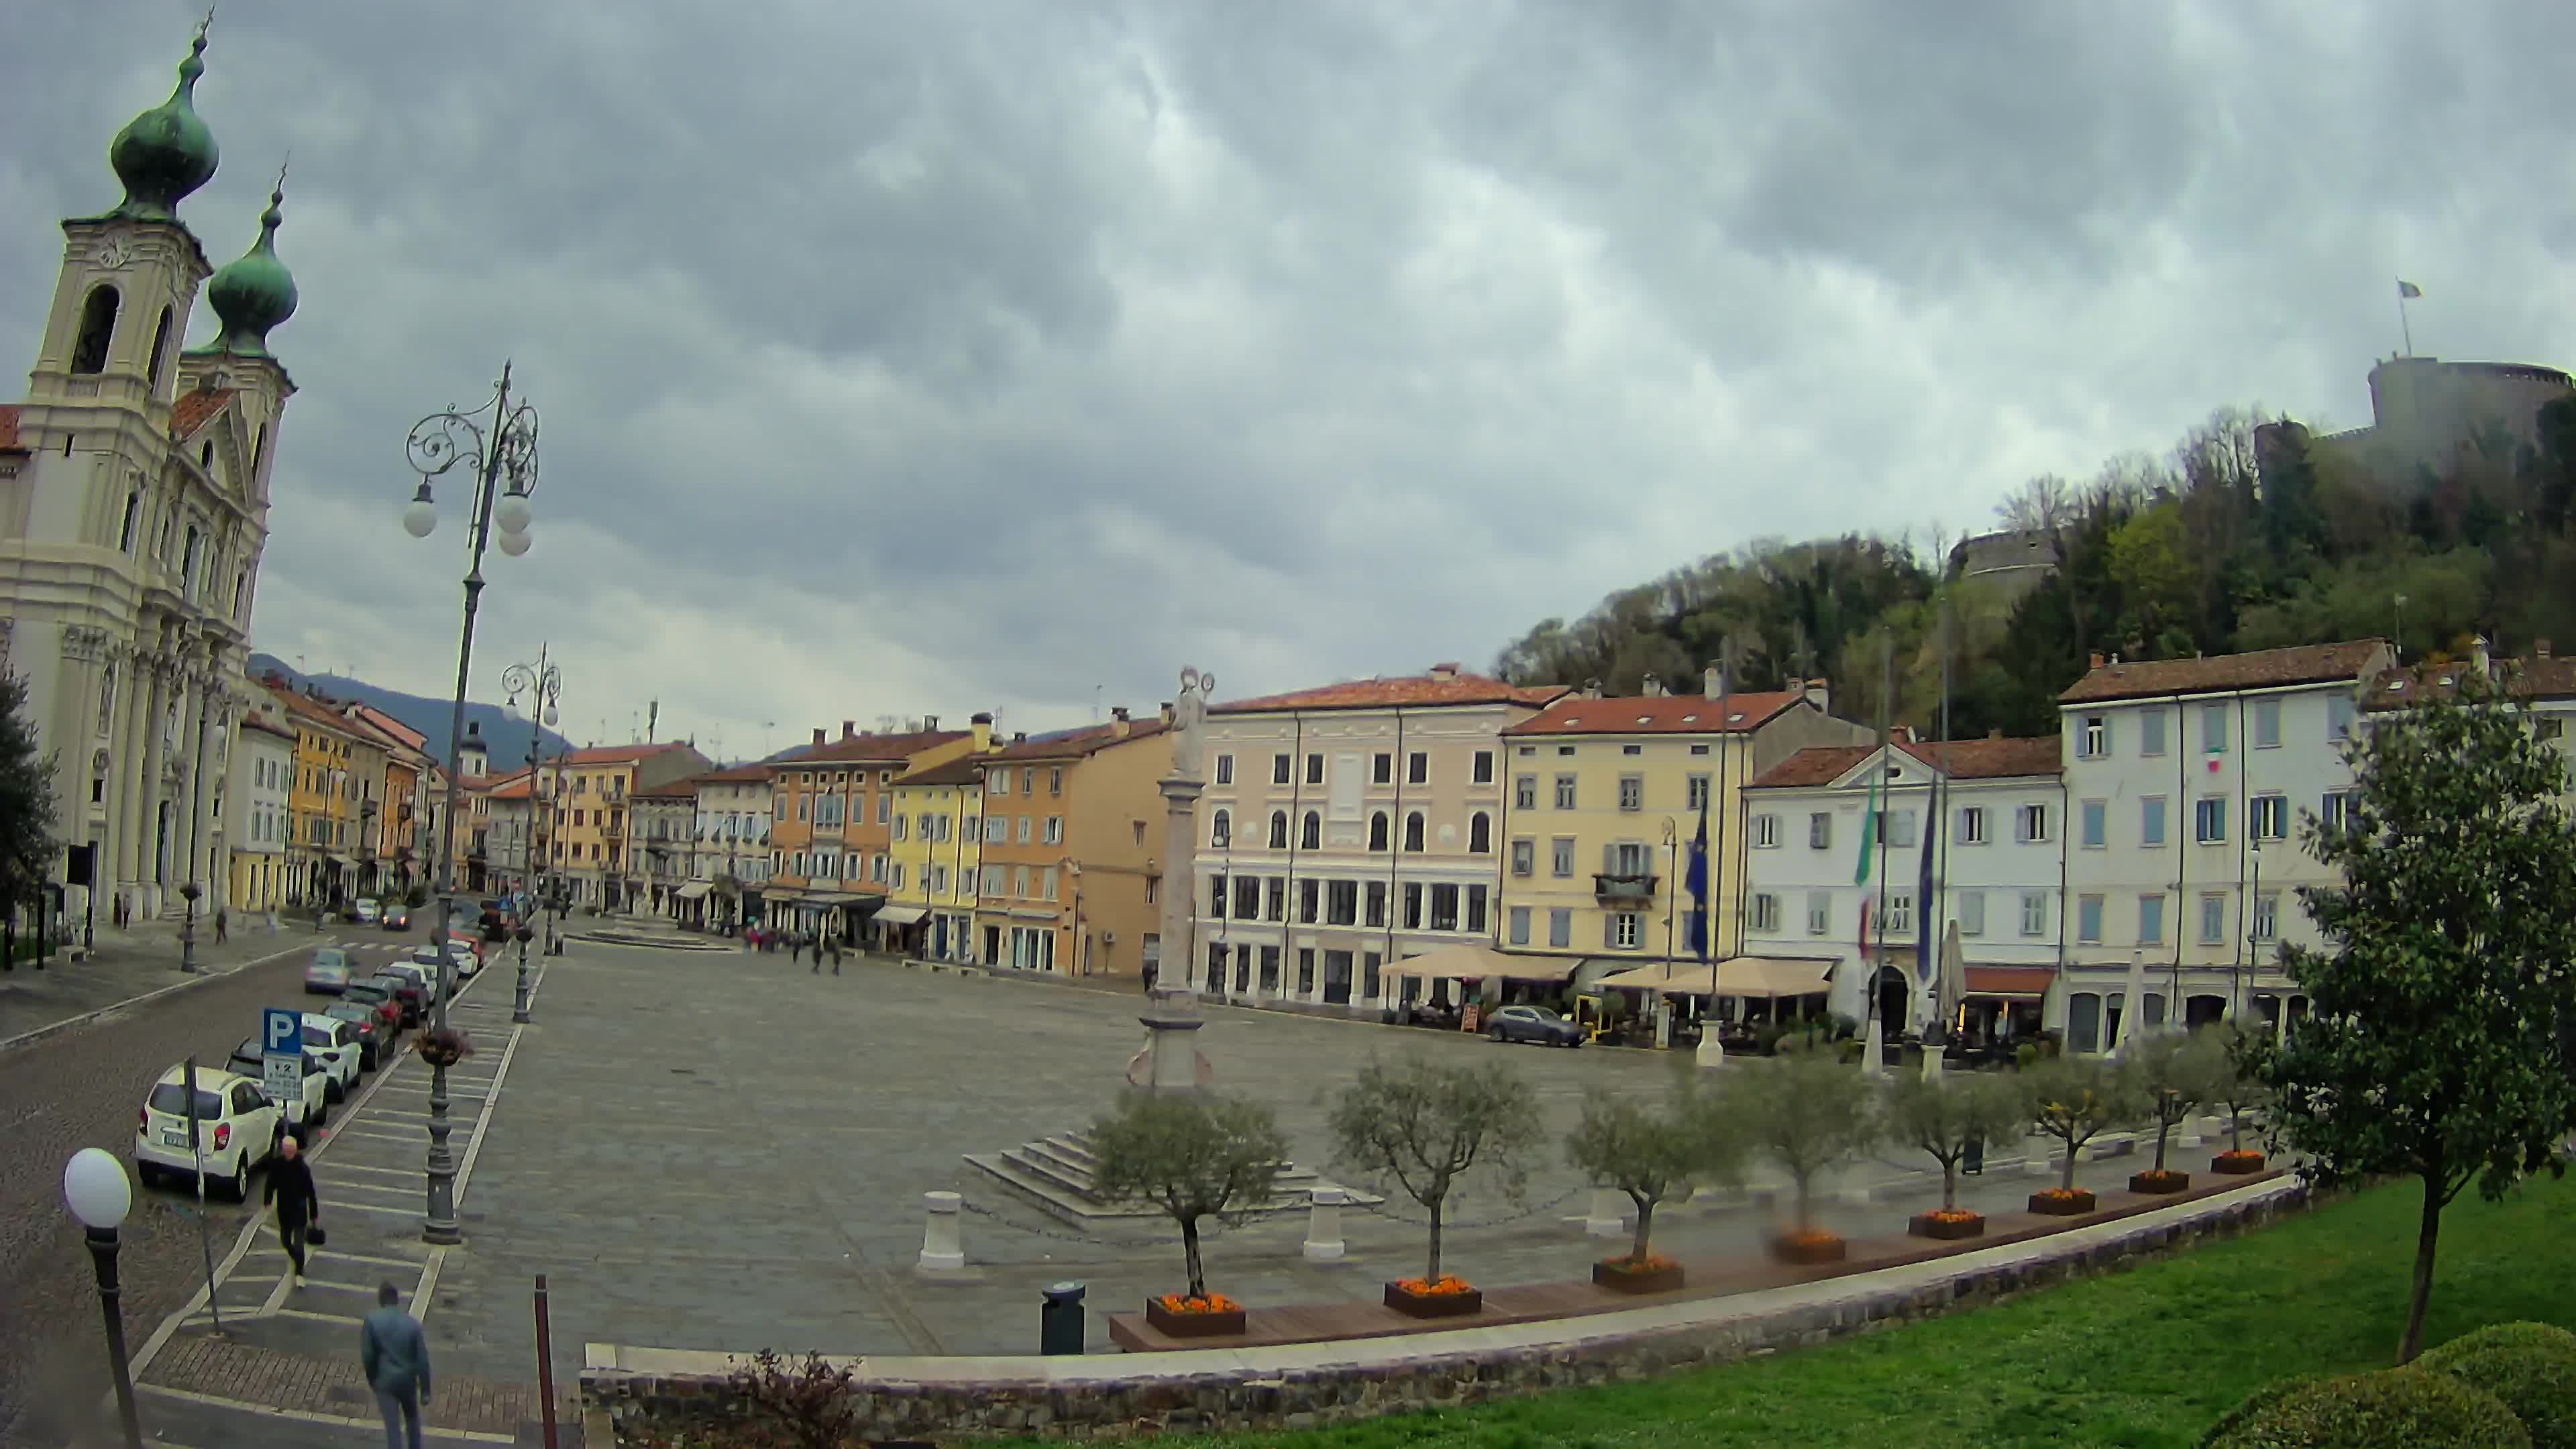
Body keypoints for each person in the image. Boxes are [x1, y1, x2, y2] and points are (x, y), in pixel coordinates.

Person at [360, 1281, 431, 1449]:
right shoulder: (412, 1324)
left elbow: (368, 1356)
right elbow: (423, 1360)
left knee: (393, 1429)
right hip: (407, 1381)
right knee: (413, 1420)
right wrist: (426, 1391)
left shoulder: (372, 1321)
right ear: (397, 1300)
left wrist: (373, 1379)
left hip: (385, 1382)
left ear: (381, 1300)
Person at [263, 1134, 319, 1287]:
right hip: (284, 1211)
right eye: (285, 1150)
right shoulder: (278, 1165)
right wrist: (267, 1201)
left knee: (299, 1244)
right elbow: (270, 1184)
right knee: (286, 1241)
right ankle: (297, 1258)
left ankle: (299, 1273)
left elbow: (311, 1192)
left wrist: (314, 1215)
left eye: (290, 1150)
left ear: (295, 1150)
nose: (288, 1153)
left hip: (299, 1211)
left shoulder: (302, 1169)